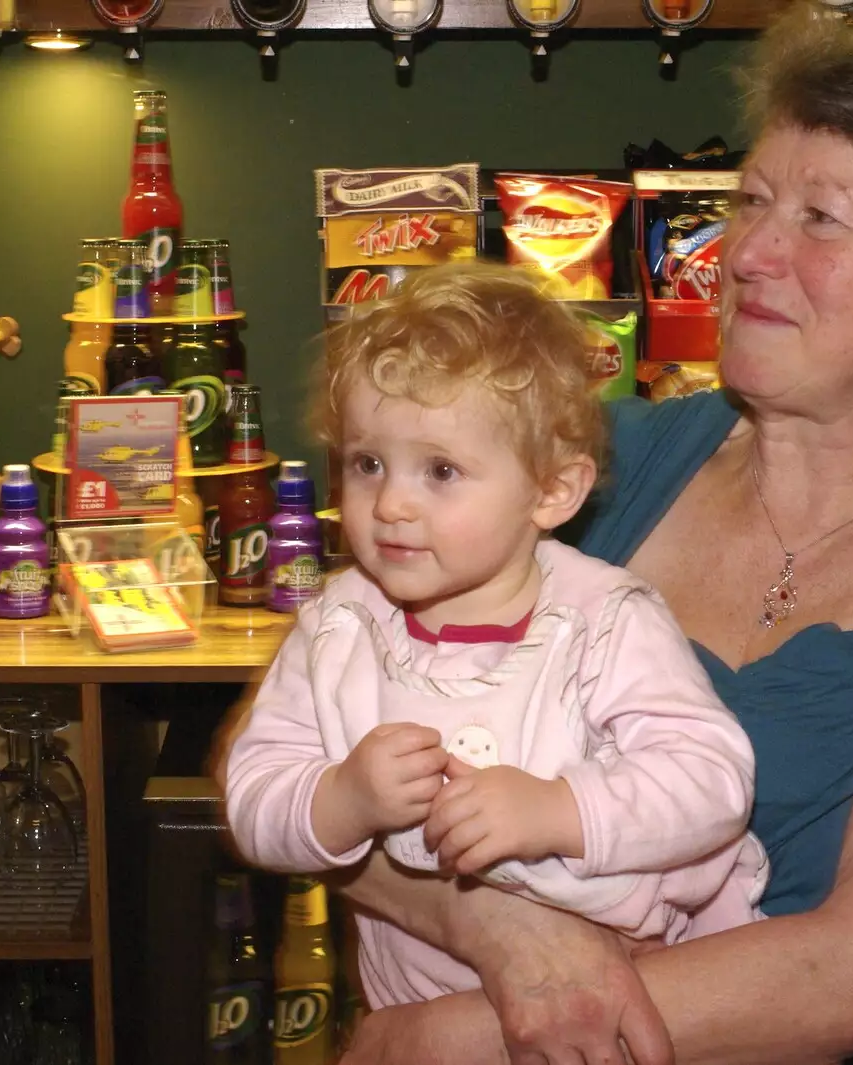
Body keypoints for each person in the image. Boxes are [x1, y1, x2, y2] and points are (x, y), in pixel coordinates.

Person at [225, 11, 853, 1065]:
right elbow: (306, 749)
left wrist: (437, 1040)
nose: (746, 251)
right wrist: (505, 931)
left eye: (821, 219)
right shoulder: (578, 467)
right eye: (750, 200)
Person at [224, 263, 770, 1008]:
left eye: (441, 470)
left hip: (630, 998)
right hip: (424, 1017)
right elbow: (254, 795)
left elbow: (712, 780)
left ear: (552, 491)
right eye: (367, 462)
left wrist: (558, 810)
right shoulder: (338, 630)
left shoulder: (603, 621)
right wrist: (340, 798)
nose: (390, 504)